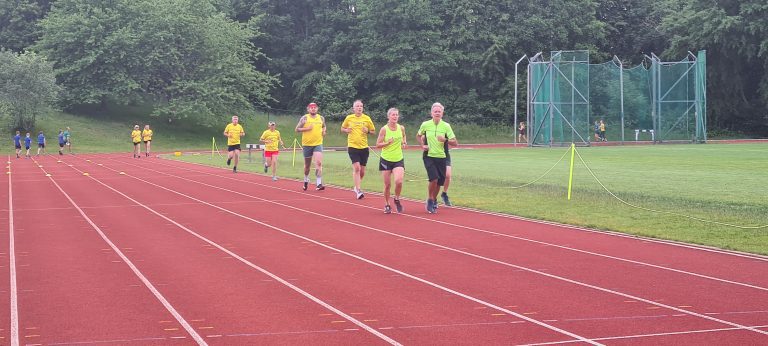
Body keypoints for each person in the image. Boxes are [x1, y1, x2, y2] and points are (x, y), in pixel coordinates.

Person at [417, 102, 457, 214]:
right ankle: (430, 199)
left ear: (442, 113)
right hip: (429, 156)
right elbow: (418, 135)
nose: (437, 113)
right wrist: (422, 145)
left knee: (440, 182)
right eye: (435, 111)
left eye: (439, 111)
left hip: (442, 156)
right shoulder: (425, 124)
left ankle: (434, 199)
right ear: (431, 113)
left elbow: (455, 142)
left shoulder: (446, 126)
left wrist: (445, 140)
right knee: (433, 178)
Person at [341, 100, 376, 199]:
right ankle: (359, 190)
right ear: (353, 108)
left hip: (364, 147)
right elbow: (342, 128)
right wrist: (346, 130)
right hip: (352, 146)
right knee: (357, 168)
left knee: (362, 172)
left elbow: (373, 131)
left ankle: (356, 186)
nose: (359, 108)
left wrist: (368, 131)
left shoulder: (367, 118)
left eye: (361, 106)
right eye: (357, 106)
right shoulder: (349, 118)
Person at [375, 108, 406, 214]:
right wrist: (387, 143)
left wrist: (404, 143)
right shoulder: (384, 129)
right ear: (388, 117)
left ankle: (396, 198)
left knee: (399, 181)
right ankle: (387, 204)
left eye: (396, 115)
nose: (395, 117)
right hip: (386, 159)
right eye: (393, 115)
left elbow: (404, 137)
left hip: (398, 159)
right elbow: (378, 144)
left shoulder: (401, 128)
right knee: (387, 185)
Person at [295, 102, 326, 191]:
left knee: (319, 163)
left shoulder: (321, 118)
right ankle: (305, 179)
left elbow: (324, 126)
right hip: (307, 144)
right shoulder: (304, 118)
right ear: (308, 109)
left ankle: (319, 183)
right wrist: (307, 129)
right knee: (307, 166)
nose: (313, 109)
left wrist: (324, 131)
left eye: (315, 107)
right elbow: (296, 129)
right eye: (311, 107)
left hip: (318, 143)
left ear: (317, 109)